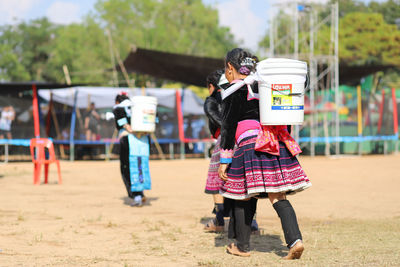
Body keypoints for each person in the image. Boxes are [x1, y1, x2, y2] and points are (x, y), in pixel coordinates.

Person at [218, 48, 311, 258]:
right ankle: (295, 241)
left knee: (243, 196)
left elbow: (228, 127)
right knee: (278, 195)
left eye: (226, 69)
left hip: (249, 145)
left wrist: (225, 159)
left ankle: (241, 247)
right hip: (274, 142)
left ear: (230, 68)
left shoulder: (234, 90)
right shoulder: (266, 85)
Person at [113, 93, 151, 207]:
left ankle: (136, 195)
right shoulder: (138, 106)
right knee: (140, 166)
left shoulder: (119, 108)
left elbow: (123, 124)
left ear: (117, 101)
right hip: (143, 141)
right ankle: (141, 192)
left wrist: (132, 130)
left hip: (128, 140)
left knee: (127, 168)